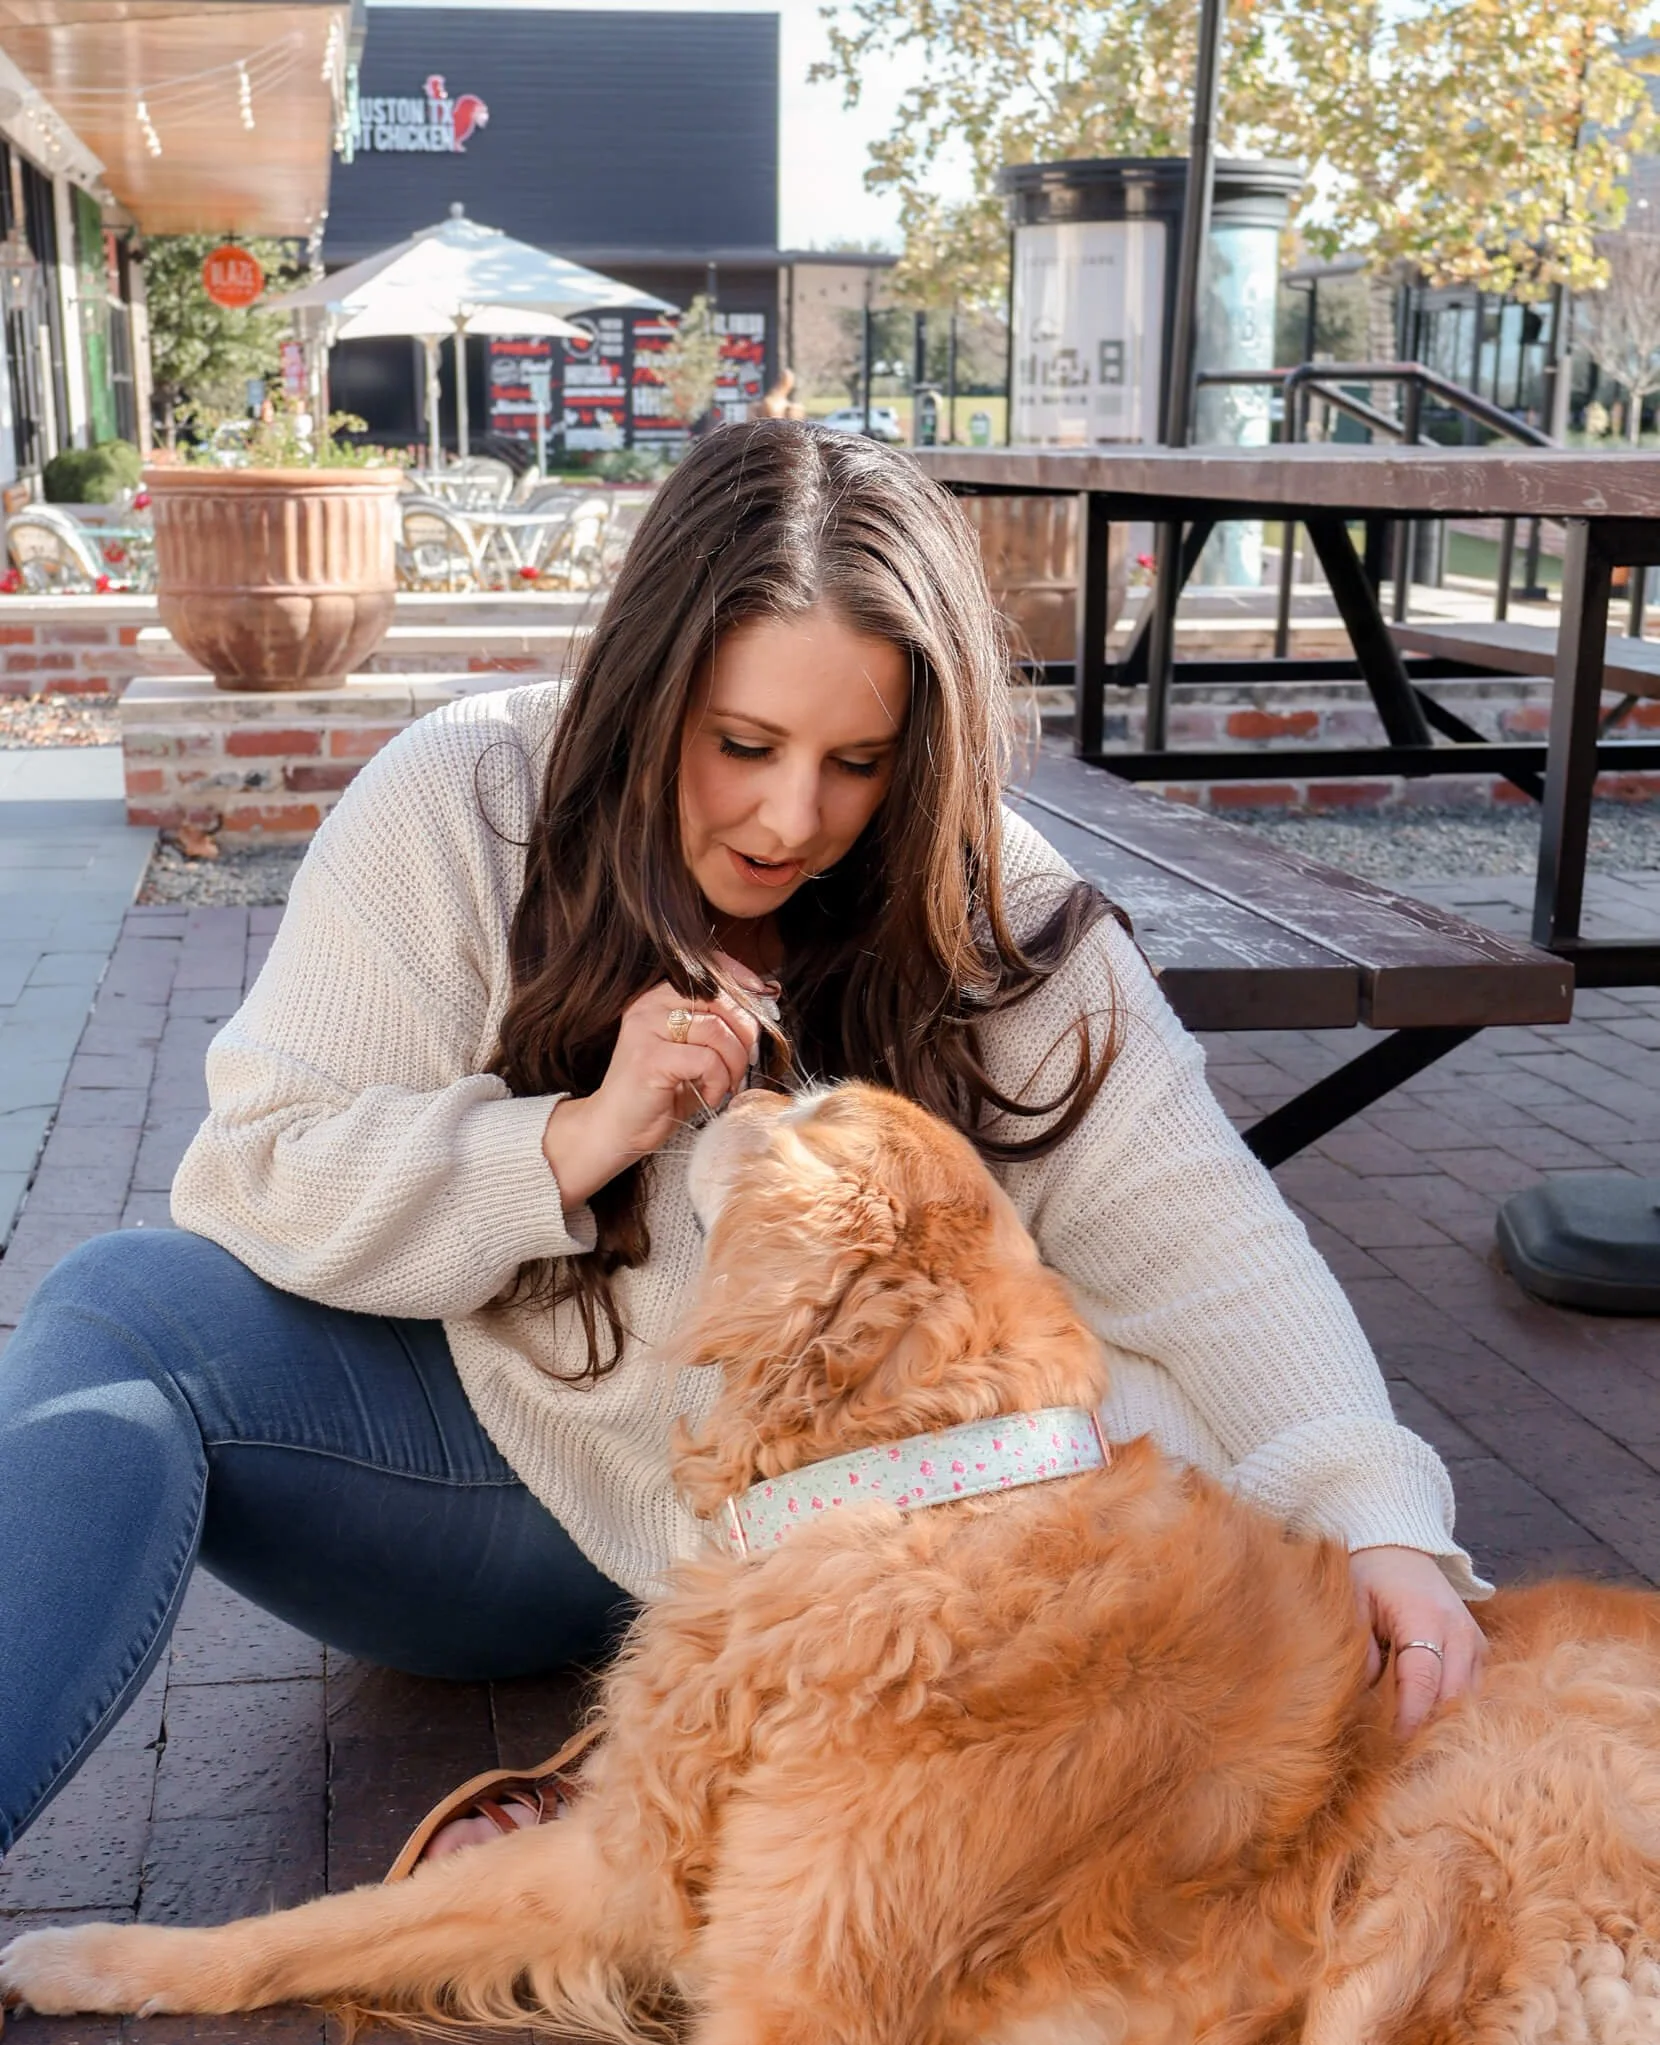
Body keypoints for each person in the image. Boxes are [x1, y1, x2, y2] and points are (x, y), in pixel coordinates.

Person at [0, 423, 1487, 1875]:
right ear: (649, 692)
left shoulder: (996, 910)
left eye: (859, 762)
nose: (793, 818)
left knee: (1139, 1413)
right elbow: (252, 1172)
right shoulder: (463, 799)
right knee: (125, 1306)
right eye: (743, 746)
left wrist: (1378, 1521)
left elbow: (1208, 1246)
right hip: (499, 1485)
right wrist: (576, 1137)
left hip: (868, 1568)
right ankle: (684, 1766)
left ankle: (701, 1776)